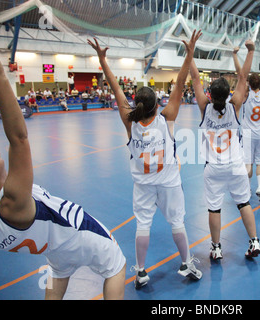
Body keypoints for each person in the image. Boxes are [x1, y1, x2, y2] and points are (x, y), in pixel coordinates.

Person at [0, 53, 126, 300]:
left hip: (53, 245)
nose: (0, 154)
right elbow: (19, 139)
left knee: (59, 272)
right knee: (116, 266)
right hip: (75, 231)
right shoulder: (12, 201)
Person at [88, 30, 203, 289]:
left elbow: (116, 88)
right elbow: (181, 83)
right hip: (169, 183)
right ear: (156, 105)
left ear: (137, 105)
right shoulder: (166, 118)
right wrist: (189, 54)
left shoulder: (130, 123)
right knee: (177, 222)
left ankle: (140, 271)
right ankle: (186, 264)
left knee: (143, 225)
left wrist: (103, 61)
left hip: (143, 185)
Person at [190, 39, 260, 260]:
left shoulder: (204, 108)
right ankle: (254, 241)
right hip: (236, 166)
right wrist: (250, 52)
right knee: (243, 203)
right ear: (228, 94)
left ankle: (216, 247)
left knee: (214, 209)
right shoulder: (235, 106)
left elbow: (194, 77)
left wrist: (190, 52)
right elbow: (243, 78)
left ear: (210, 95)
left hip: (214, 169)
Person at [234, 43, 260, 203]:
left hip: (247, 134)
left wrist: (235, 55)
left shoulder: (245, 94)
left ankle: (245, 189)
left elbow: (241, 74)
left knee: (248, 163)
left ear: (250, 84)